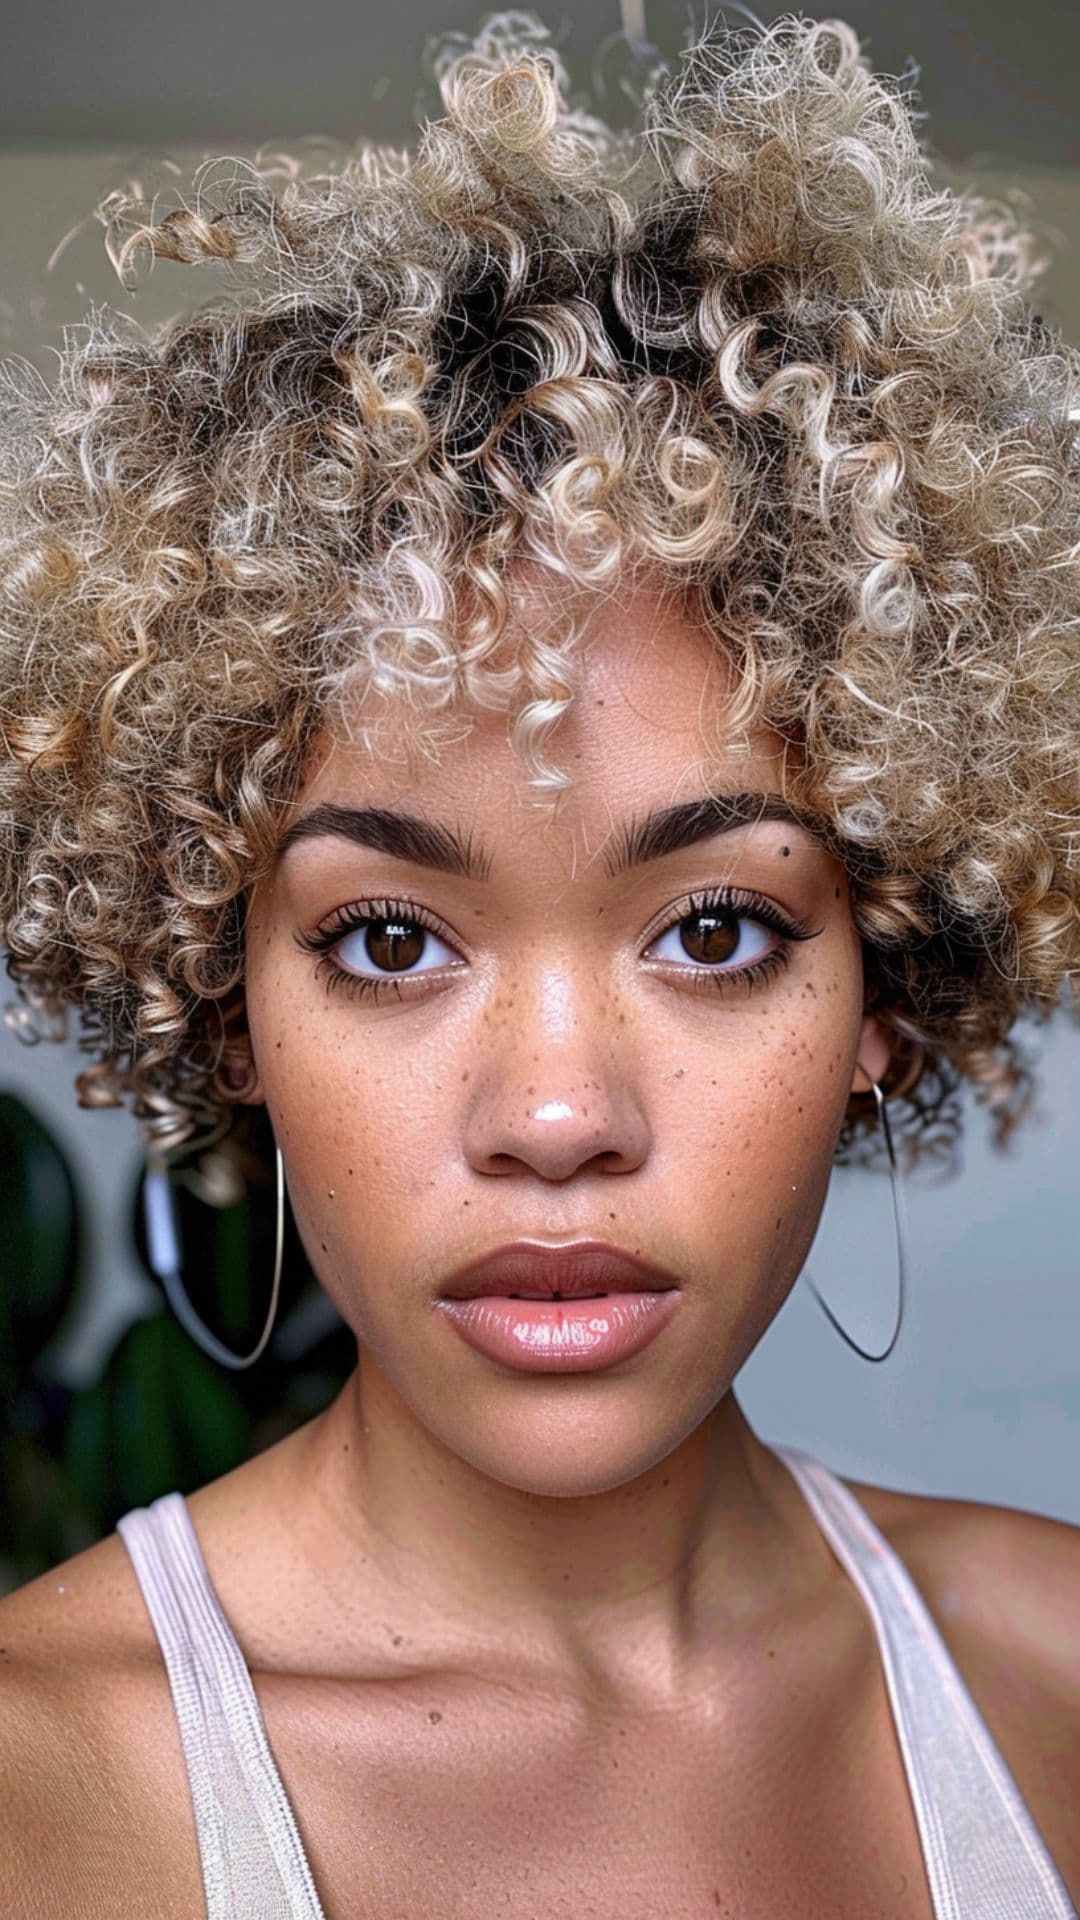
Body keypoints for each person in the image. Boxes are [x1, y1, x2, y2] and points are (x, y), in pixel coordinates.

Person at [0, 10, 1077, 1915]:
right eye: (392, 938)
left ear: (886, 997)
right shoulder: (37, 1791)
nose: (557, 1117)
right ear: (225, 995)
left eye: (719, 929)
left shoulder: (1057, 1680)